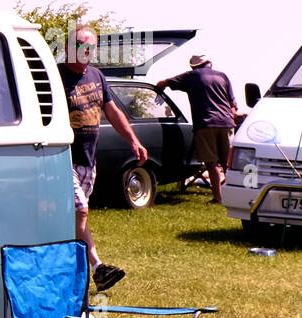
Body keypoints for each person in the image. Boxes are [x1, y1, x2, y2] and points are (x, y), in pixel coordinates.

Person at [59, 27, 148, 291]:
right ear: (68, 47)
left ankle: (73, 270)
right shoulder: (55, 75)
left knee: (72, 220)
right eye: (81, 45)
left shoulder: (97, 76)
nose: (87, 51)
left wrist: (133, 139)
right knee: (80, 210)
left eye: (91, 47)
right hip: (62, 158)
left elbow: (112, 110)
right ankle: (97, 266)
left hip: (88, 161)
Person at [156, 55, 243, 205]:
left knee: (211, 163)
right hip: (226, 123)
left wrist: (158, 90)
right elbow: (233, 106)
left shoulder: (192, 76)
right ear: (210, 63)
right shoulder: (223, 76)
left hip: (205, 124)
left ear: (194, 66)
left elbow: (164, 82)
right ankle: (236, 196)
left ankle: (219, 197)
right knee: (227, 163)